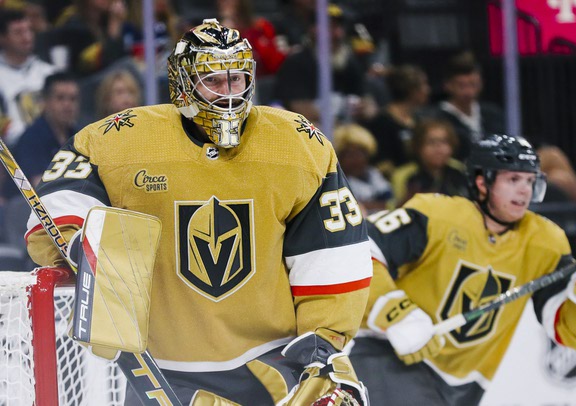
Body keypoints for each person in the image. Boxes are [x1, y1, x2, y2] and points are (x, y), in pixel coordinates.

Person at [24, 19, 371, 405]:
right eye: (214, 81)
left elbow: (332, 250)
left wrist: (323, 343)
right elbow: (58, 200)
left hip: (269, 361)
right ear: (183, 83)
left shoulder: (297, 144)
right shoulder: (120, 138)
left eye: (236, 79)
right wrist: (80, 243)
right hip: (154, 368)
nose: (228, 95)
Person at [349, 134, 576, 405]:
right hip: (387, 352)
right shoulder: (436, 214)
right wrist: (394, 313)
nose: (525, 190)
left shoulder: (546, 242)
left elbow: (566, 333)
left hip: (463, 384)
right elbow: (357, 252)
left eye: (530, 181)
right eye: (513, 180)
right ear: (481, 182)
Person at [273, 3, 367, 126]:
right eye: (328, 27)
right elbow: (300, 107)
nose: (335, 34)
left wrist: (363, 108)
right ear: (312, 29)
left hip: (346, 127)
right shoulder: (296, 62)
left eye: (338, 27)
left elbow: (363, 98)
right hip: (307, 129)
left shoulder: (350, 62)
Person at [2, 72, 79, 200]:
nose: (67, 104)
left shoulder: (80, 136)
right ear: (45, 101)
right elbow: (40, 185)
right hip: (24, 211)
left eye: (72, 99)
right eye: (60, 98)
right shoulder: (31, 138)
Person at [432, 51, 505, 161]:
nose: (468, 92)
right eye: (461, 86)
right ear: (447, 85)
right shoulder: (437, 118)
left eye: (473, 84)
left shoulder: (493, 113)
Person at [0, 8, 56, 146]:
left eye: (29, 30)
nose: (27, 37)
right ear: (2, 38)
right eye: (18, 32)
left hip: (54, 148)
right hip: (13, 154)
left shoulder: (49, 72)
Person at [365, 64, 430, 178]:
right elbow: (381, 162)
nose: (427, 89)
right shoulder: (382, 122)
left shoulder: (419, 120)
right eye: (423, 85)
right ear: (411, 90)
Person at [391, 118, 468, 207]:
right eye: (431, 142)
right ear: (418, 146)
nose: (439, 148)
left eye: (444, 142)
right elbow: (394, 209)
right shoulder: (403, 175)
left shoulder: (460, 170)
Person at [334, 123, 393, 214]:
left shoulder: (374, 174)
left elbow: (389, 202)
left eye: (360, 153)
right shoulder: (337, 181)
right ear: (340, 156)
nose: (355, 159)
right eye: (349, 154)